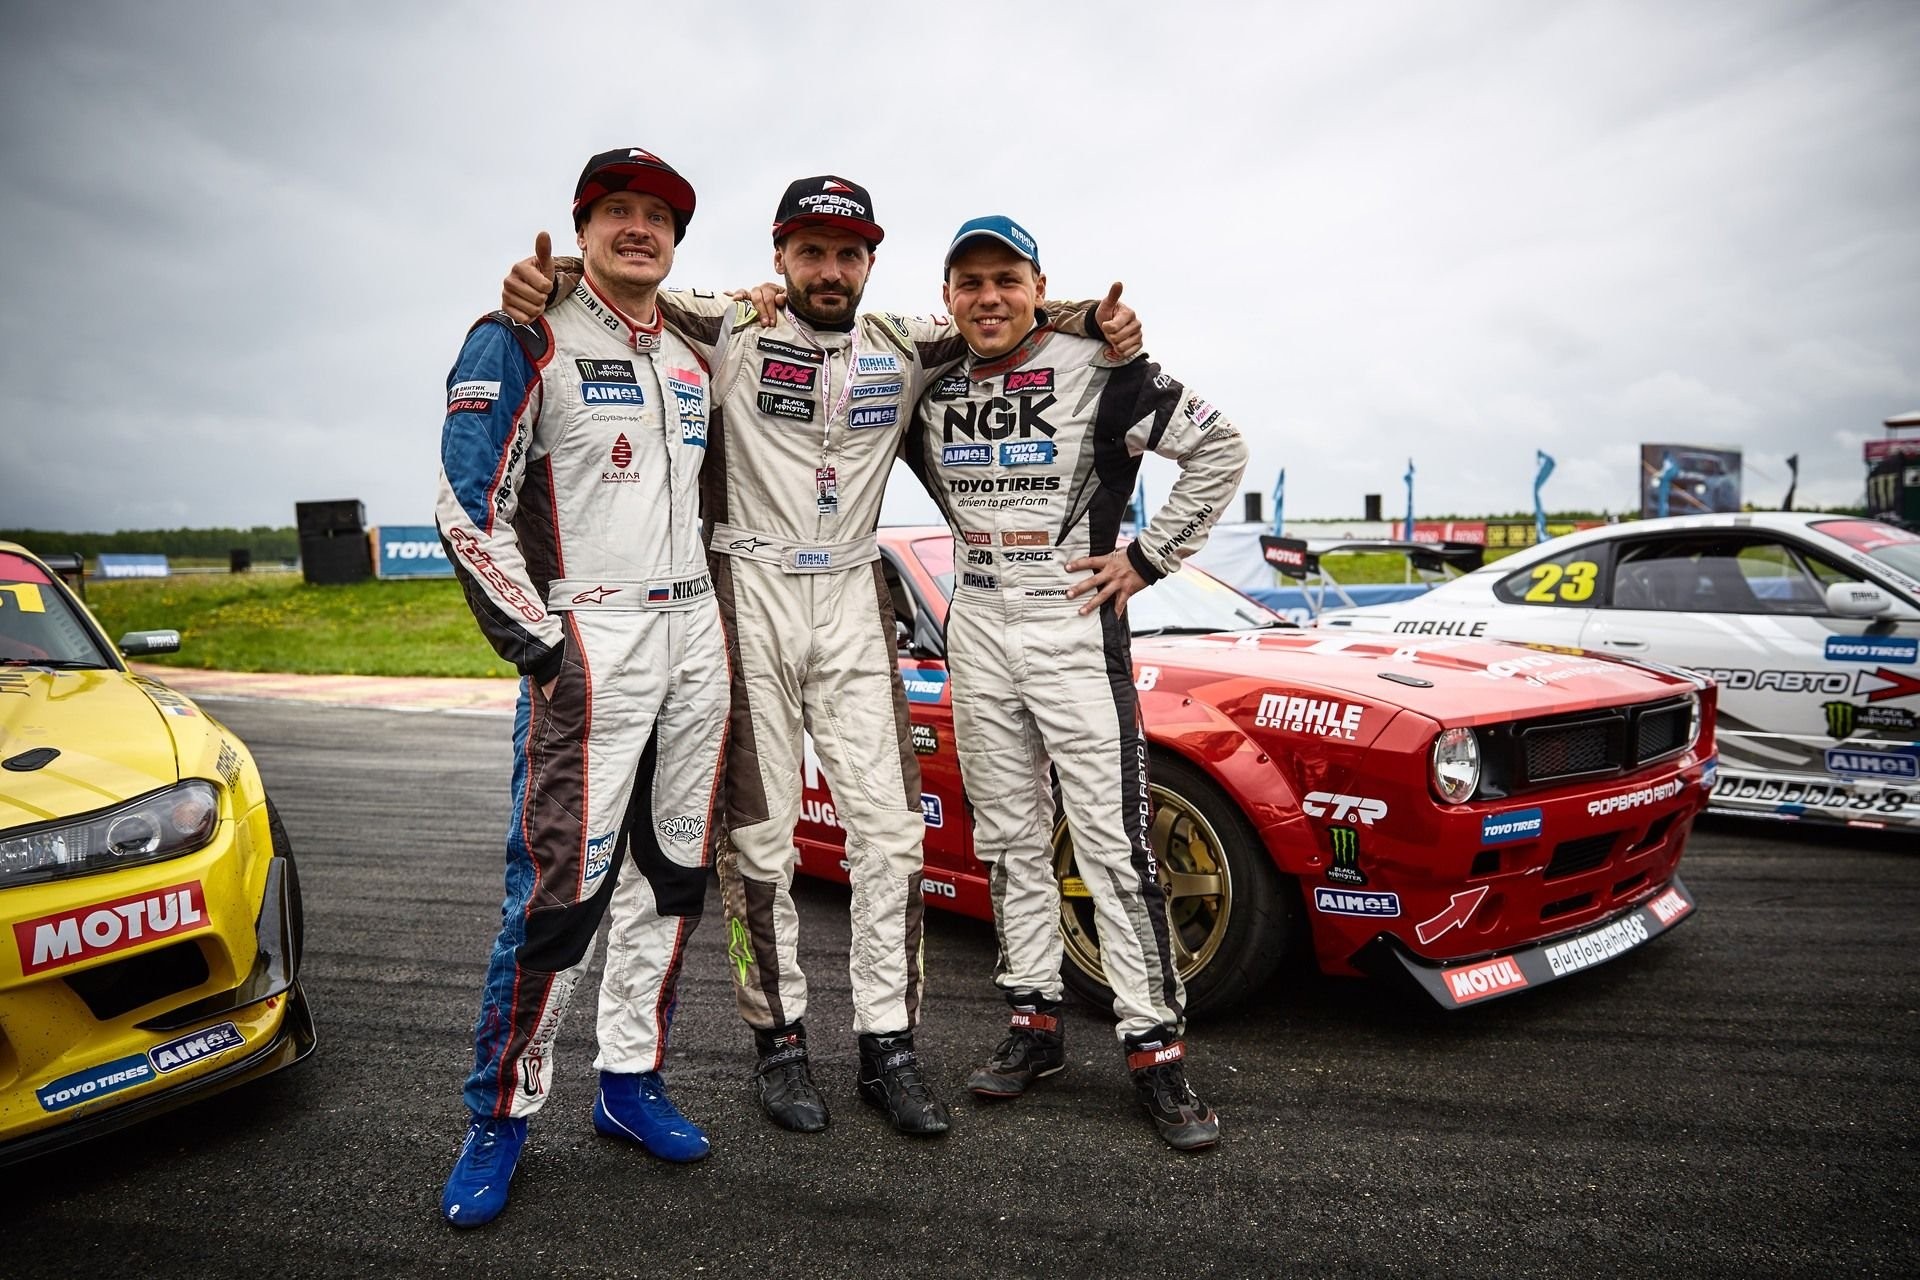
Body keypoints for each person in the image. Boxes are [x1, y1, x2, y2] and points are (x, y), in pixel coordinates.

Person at [497, 178, 1140, 1137]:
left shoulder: (905, 342)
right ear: (780, 256)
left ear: (871, 261)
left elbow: (1000, 309)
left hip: (849, 593)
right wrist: (541, 282)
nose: (829, 270)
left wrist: (1092, 316)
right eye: (811, 252)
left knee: (892, 835)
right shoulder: (728, 324)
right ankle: (780, 1041)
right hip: (749, 588)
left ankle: (889, 1045)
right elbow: (616, 289)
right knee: (760, 841)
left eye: (848, 253)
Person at [902, 215, 1248, 1151]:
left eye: (1007, 279)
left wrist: (1149, 557)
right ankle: (1034, 1022)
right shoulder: (927, 379)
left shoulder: (1103, 364)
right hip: (976, 624)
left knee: (1110, 840)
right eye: (969, 282)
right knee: (1009, 837)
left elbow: (1221, 449)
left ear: (1038, 285)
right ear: (947, 295)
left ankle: (1154, 1048)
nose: (988, 297)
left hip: (1073, 623)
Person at [434, 147, 728, 1227]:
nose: (638, 227)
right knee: (560, 891)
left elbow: (784, 305)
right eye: (617, 211)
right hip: (590, 634)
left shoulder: (696, 347)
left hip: (695, 631)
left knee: (672, 875)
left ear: (677, 239)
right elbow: (464, 504)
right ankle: (501, 1112)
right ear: (582, 226)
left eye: (659, 215)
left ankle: (628, 1079)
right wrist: (543, 647)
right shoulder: (522, 333)